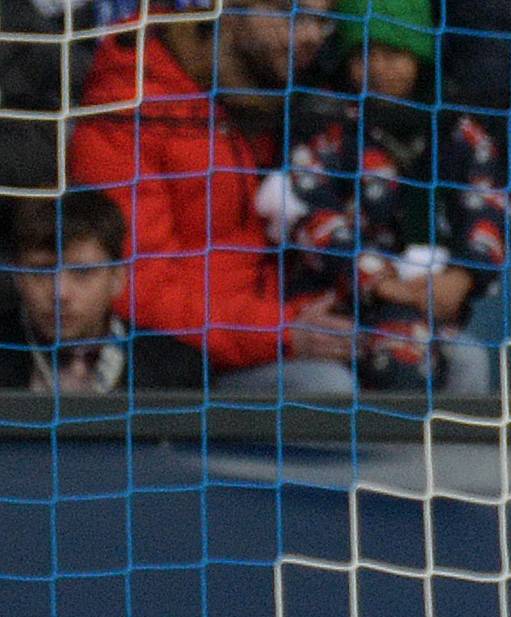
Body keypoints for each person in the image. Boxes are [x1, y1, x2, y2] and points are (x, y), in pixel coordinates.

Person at [68, 0, 358, 393]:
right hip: (183, 361)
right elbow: (137, 286)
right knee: (327, 389)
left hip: (275, 327)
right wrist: (281, 331)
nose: (310, 34)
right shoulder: (130, 106)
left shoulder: (290, 102)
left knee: (433, 355)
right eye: (289, 11)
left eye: (321, 20)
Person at [268, 0, 511, 391]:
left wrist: (462, 277)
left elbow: (490, 207)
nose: (377, 70)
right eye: (364, 55)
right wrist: (380, 283)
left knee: (470, 361)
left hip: (435, 308)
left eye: (394, 55)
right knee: (398, 355)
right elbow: (312, 216)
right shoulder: (327, 127)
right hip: (338, 305)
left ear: (419, 58)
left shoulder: (456, 131)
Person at [1, 192, 204, 392]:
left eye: (82, 272)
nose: (60, 293)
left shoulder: (178, 370)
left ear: (117, 278)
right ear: (17, 276)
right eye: (41, 271)